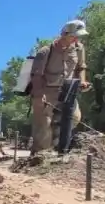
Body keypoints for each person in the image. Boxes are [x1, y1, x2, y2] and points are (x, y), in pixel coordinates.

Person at [29, 20, 89, 163]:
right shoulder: (45, 51)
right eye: (74, 36)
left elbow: (81, 67)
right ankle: (39, 158)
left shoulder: (79, 49)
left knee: (74, 117)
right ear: (64, 33)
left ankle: (58, 149)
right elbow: (36, 76)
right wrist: (39, 96)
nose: (76, 39)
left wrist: (82, 81)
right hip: (45, 91)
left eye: (78, 36)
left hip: (67, 90)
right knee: (44, 124)